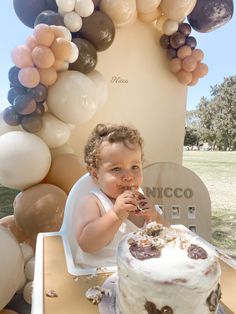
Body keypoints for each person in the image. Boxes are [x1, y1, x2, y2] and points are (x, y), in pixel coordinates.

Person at [74, 123, 169, 268]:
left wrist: (155, 217)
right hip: (100, 276)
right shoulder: (93, 202)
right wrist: (115, 215)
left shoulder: (142, 200)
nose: (129, 176)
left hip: (140, 275)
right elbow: (87, 244)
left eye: (135, 167)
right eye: (116, 169)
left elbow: (169, 237)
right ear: (95, 175)